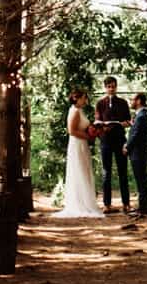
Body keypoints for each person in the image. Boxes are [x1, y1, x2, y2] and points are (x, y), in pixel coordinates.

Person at [55, 89, 102, 218]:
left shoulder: (80, 111)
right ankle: (79, 203)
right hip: (77, 144)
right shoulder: (74, 111)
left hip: (83, 144)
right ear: (77, 99)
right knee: (79, 170)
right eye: (84, 98)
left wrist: (92, 131)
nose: (85, 100)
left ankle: (85, 200)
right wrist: (89, 136)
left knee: (84, 170)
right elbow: (72, 131)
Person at [94, 76, 131, 213]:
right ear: (105, 88)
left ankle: (126, 204)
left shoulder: (123, 102)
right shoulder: (100, 103)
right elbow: (97, 121)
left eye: (113, 86)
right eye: (109, 86)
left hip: (120, 140)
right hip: (105, 141)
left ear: (116, 87)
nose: (111, 89)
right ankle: (107, 204)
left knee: (123, 172)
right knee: (106, 173)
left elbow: (128, 121)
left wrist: (122, 124)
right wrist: (102, 126)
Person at [125, 93, 147, 216]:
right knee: (140, 179)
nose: (131, 101)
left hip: (138, 152)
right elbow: (136, 131)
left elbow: (135, 135)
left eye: (132, 99)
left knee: (141, 180)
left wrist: (127, 147)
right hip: (138, 152)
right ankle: (143, 206)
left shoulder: (141, 116)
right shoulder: (140, 116)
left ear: (139, 101)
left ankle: (143, 209)